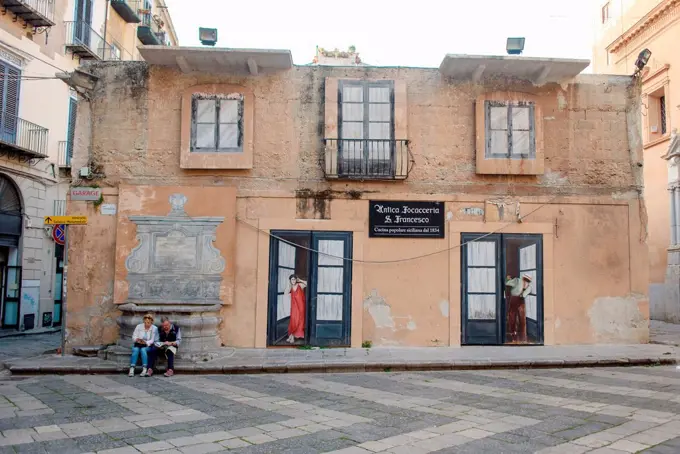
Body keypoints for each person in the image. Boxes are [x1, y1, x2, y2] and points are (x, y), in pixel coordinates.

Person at [505, 274, 532, 343]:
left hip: (516, 299)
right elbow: (523, 295)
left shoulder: (518, 281)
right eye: (526, 280)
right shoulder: (526, 285)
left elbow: (507, 283)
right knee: (518, 318)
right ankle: (520, 336)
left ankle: (516, 335)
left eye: (527, 281)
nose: (526, 282)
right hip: (519, 300)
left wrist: (508, 279)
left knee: (514, 317)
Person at [285, 274, 307, 343]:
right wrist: (289, 284)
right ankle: (291, 336)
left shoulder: (300, 285)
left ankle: (292, 337)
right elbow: (285, 293)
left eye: (294, 279)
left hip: (301, 306)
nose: (293, 280)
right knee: (293, 321)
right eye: (292, 279)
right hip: (294, 307)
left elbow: (306, 284)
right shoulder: (290, 287)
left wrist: (299, 280)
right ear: (290, 280)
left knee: (299, 321)